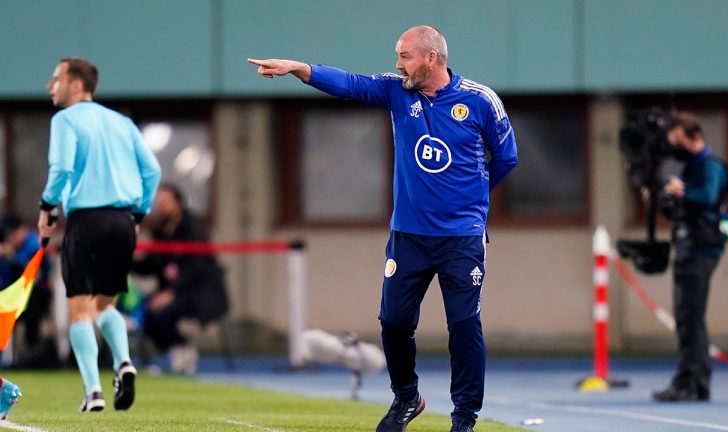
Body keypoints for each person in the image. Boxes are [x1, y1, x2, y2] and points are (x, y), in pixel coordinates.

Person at [248, 25, 518, 432]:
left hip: (462, 237)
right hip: (409, 234)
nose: (398, 63)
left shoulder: (480, 100)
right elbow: (350, 84)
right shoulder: (397, 91)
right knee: (393, 321)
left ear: (431, 58)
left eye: (405, 56)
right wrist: (299, 68)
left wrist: (471, 200)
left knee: (464, 324)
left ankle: (464, 418)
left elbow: (506, 158)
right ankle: (407, 396)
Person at [38, 58, 162, 412]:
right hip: (123, 221)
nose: (50, 85)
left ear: (77, 85)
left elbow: (62, 168)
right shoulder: (122, 122)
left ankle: (93, 390)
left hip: (87, 221)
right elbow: (152, 170)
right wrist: (139, 213)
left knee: (80, 310)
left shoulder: (65, 119)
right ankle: (123, 361)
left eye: (56, 78)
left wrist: (47, 207)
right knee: (107, 304)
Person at [651, 113, 728, 402]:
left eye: (679, 142)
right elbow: (680, 208)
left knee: (691, 318)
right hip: (688, 246)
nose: (675, 149)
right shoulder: (691, 167)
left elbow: (707, 197)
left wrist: (681, 191)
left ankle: (693, 382)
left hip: (702, 248)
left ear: (695, 137)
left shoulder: (711, 166)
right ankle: (691, 380)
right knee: (687, 318)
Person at [132, 183, 229, 375]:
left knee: (161, 312)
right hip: (171, 291)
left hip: (198, 293)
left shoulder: (193, 229)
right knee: (143, 311)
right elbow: (152, 265)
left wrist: (171, 293)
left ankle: (182, 351)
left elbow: (196, 269)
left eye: (165, 201)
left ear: (178, 203)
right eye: (158, 202)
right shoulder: (160, 231)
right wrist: (127, 261)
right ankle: (179, 347)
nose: (160, 205)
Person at [0, 213, 52, 354]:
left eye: (13, 235)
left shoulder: (34, 245)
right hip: (13, 296)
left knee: (31, 323)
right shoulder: (10, 246)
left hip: (35, 296)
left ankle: (33, 354)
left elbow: (36, 276)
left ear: (21, 230)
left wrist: (11, 257)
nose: (11, 239)